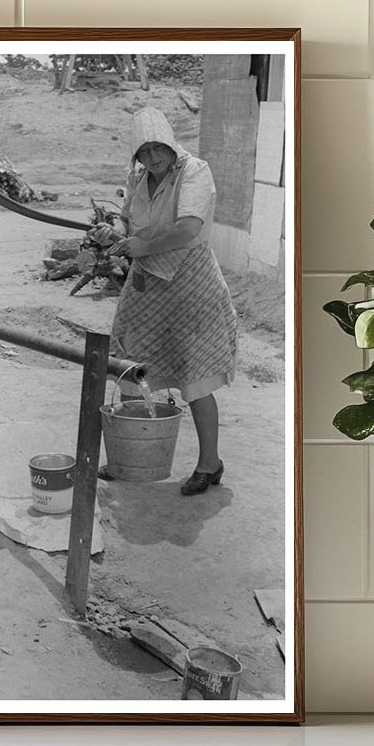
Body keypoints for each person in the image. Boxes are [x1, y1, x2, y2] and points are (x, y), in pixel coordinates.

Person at [89, 106, 238, 496]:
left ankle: (209, 465)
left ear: (171, 144)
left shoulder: (195, 171)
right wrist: (112, 232)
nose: (152, 157)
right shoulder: (138, 177)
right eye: (144, 151)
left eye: (158, 148)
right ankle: (129, 456)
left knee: (195, 372)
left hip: (191, 284)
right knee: (128, 364)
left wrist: (143, 246)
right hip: (146, 285)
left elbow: (188, 228)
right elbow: (128, 223)